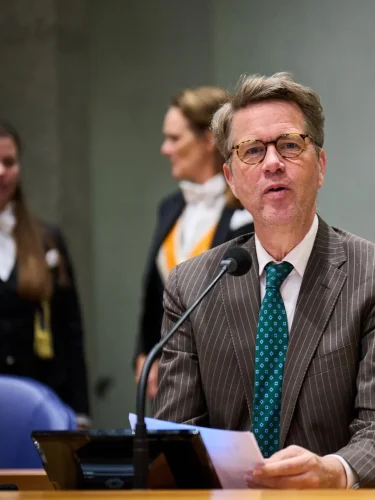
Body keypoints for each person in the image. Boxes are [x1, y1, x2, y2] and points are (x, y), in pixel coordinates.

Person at [153, 73, 375, 488]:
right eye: (252, 150)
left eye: (290, 145)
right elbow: (177, 437)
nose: (272, 163)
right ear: (231, 179)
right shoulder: (192, 287)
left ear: (321, 166)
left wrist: (333, 472)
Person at [0, 118, 91, 426]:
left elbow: (69, 331)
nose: (0, 172)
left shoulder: (46, 238)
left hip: (37, 409)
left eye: (8, 162)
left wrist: (80, 413)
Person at [134, 86, 254, 398]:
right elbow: (155, 293)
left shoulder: (247, 209)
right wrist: (146, 352)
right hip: (170, 376)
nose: (165, 149)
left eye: (174, 138)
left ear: (208, 140)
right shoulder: (170, 207)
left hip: (227, 378)